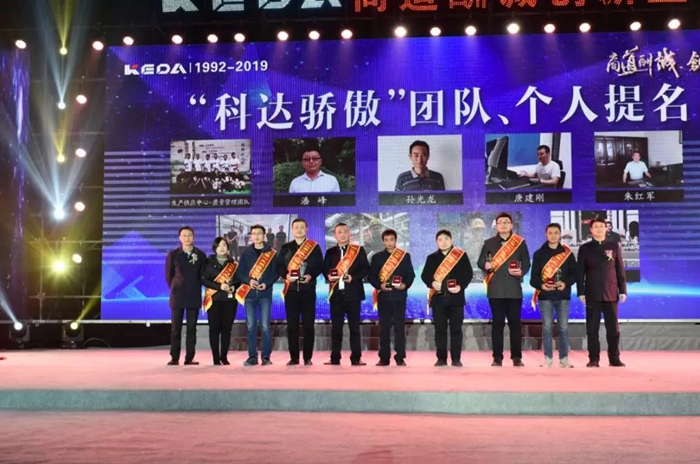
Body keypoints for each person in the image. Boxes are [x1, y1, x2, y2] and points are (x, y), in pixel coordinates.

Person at [477, 213, 531, 367]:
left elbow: (526, 262)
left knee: (515, 325)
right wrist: (485, 265)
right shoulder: (488, 243)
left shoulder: (519, 242)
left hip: (514, 290)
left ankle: (516, 357)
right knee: (497, 324)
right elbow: (480, 261)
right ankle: (497, 357)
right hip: (495, 289)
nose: (503, 225)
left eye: (506, 222)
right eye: (500, 222)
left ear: (512, 225)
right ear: (496, 226)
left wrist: (521, 271)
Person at [577, 217, 627, 368]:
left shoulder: (614, 246)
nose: (599, 229)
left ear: (606, 229)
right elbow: (580, 272)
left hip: (611, 292)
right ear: (591, 230)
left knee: (613, 329)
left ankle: (614, 358)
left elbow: (619, 269)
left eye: (601, 226)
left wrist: (622, 290)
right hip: (592, 293)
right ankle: (593, 359)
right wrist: (581, 292)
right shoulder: (585, 248)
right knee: (592, 329)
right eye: (596, 227)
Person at [421, 230, 473, 367]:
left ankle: (456, 359)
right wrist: (432, 283)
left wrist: (460, 286)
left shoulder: (461, 256)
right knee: (440, 330)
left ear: (451, 240)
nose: (443, 242)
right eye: (440, 239)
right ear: (436, 242)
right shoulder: (431, 258)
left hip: (456, 299)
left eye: (446, 239)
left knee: (456, 330)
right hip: (438, 300)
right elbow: (425, 275)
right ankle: (441, 359)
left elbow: (468, 274)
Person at [276, 218, 324, 366]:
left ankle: (307, 357)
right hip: (291, 291)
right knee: (292, 326)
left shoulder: (314, 247)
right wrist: (286, 275)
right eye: (296, 227)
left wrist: (311, 275)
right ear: (292, 229)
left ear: (307, 229)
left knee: (308, 325)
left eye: (302, 227)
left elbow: (320, 265)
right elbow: (279, 266)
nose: (299, 229)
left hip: (308, 291)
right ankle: (294, 357)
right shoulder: (286, 247)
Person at [529, 223, 577, 368]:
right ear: (546, 234)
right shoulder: (538, 254)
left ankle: (564, 359)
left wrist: (565, 283)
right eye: (550, 233)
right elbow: (533, 278)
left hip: (563, 296)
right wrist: (542, 285)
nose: (553, 235)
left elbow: (574, 274)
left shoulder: (567, 254)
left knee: (563, 327)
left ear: (560, 234)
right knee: (547, 327)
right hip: (545, 297)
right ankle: (548, 358)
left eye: (556, 233)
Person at [323, 223, 370, 366]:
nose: (342, 234)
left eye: (345, 231)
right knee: (336, 329)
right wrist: (327, 276)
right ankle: (335, 358)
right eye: (339, 232)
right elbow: (325, 269)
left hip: (353, 295)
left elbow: (365, 269)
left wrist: (353, 277)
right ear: (335, 235)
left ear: (349, 234)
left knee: (354, 329)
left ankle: (356, 358)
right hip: (336, 295)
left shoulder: (358, 250)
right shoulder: (330, 252)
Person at [368, 229, 415, 366]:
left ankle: (400, 357)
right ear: (383, 241)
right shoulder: (377, 257)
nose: (389, 242)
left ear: (395, 240)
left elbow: (410, 275)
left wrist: (405, 285)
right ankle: (384, 358)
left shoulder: (404, 256)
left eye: (392, 239)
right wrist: (380, 285)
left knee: (399, 329)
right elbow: (371, 276)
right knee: (384, 329)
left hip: (399, 297)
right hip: (383, 297)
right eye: (386, 240)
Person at [235, 224, 278, 366]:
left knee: (265, 326)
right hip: (249, 295)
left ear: (264, 235)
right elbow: (240, 273)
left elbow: (275, 273)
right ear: (251, 236)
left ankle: (266, 357)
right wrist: (249, 281)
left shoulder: (271, 253)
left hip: (265, 294)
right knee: (251, 326)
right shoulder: (246, 253)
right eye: (254, 234)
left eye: (259, 233)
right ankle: (252, 357)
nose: (257, 236)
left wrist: (266, 283)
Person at [165, 226, 207, 366]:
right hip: (177, 296)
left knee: (191, 328)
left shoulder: (200, 255)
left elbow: (202, 276)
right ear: (179, 238)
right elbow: (169, 277)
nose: (187, 238)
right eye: (184, 235)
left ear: (193, 237)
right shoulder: (173, 255)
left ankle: (189, 357)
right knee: (176, 328)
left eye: (189, 235)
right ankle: (174, 357)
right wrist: (176, 287)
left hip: (194, 295)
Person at [201, 237, 239, 366]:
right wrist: (219, 286)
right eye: (219, 245)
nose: (222, 248)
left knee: (227, 329)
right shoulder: (208, 262)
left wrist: (234, 287)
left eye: (224, 245)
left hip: (230, 300)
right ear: (215, 248)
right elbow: (204, 280)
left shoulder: (233, 263)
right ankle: (216, 358)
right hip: (214, 300)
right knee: (214, 329)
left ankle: (224, 356)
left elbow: (238, 280)